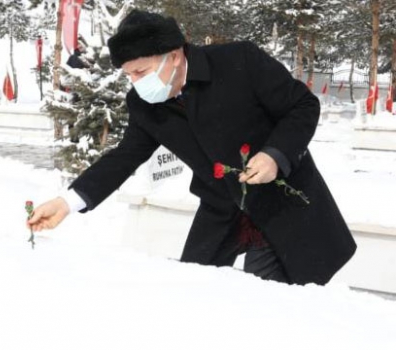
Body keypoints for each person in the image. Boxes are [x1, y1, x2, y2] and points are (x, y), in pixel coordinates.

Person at [27, 10, 356, 285]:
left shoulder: (239, 61)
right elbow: (125, 156)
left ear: (173, 56)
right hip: (222, 208)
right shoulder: (144, 103)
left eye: (141, 71)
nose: (137, 83)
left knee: (269, 298)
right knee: (193, 287)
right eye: (129, 76)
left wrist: (275, 154)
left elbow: (302, 106)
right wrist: (67, 201)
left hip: (282, 202)